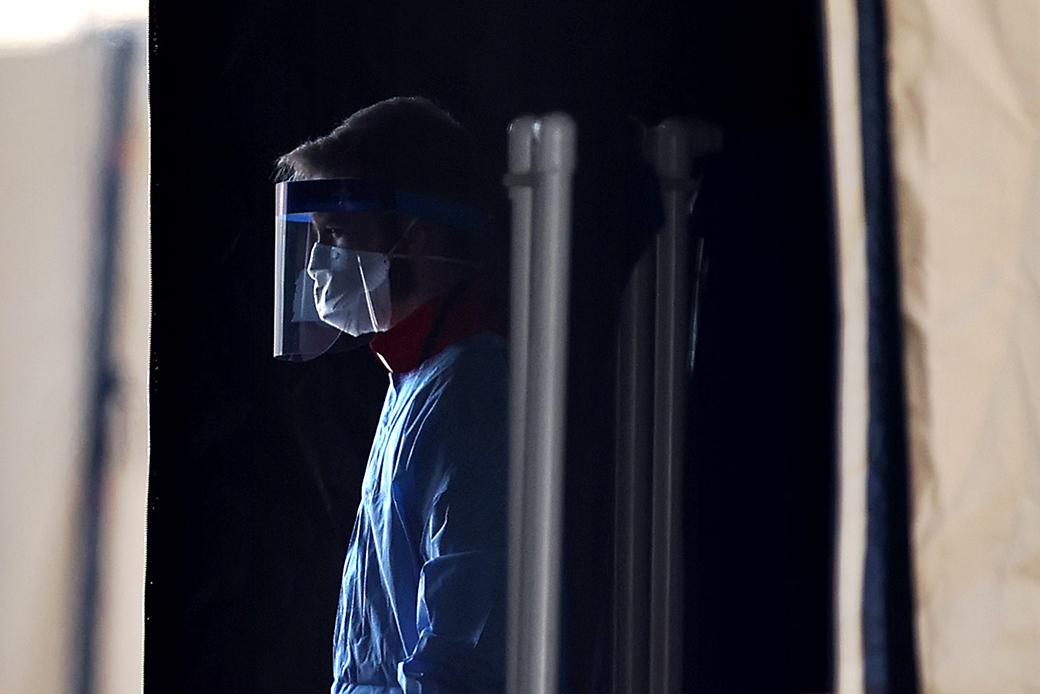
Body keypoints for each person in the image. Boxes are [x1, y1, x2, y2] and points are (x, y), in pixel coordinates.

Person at [275, 97, 508, 694]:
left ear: (413, 237)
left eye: (335, 235)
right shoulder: (415, 378)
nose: (316, 266)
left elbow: (461, 661)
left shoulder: (472, 396)